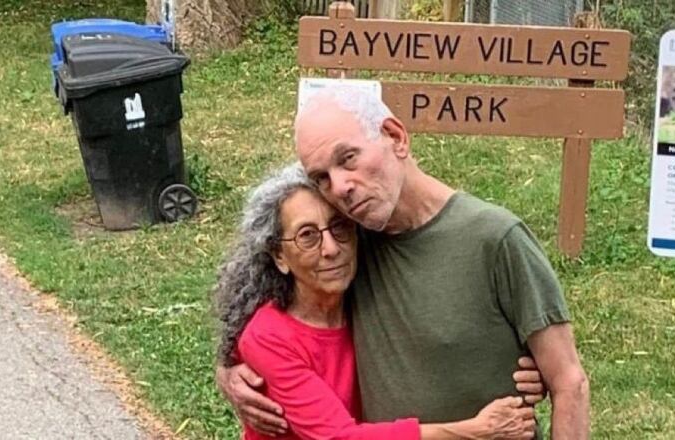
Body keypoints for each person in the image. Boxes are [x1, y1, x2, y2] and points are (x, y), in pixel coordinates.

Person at [218, 86, 589, 439]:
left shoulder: (495, 238)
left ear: (396, 136)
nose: (341, 187)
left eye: (348, 158)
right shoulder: (346, 245)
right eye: (322, 178)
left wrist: (538, 374)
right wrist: (230, 372)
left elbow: (569, 381)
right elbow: (270, 317)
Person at [215, 164, 537, 439]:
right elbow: (340, 437)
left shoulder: (362, 293)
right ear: (279, 256)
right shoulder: (268, 335)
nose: (330, 248)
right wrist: (475, 430)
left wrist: (517, 370)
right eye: (307, 236)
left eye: (339, 227)